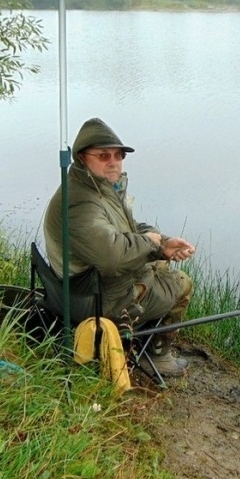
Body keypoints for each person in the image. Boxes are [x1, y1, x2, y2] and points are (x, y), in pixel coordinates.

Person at [43, 118, 195, 377]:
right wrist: (151, 243)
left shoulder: (96, 187)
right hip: (98, 300)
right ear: (82, 157)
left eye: (118, 155)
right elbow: (112, 257)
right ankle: (155, 354)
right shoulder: (80, 203)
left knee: (161, 266)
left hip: (91, 285)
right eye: (103, 155)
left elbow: (130, 226)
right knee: (181, 283)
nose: (113, 161)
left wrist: (164, 244)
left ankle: (138, 337)